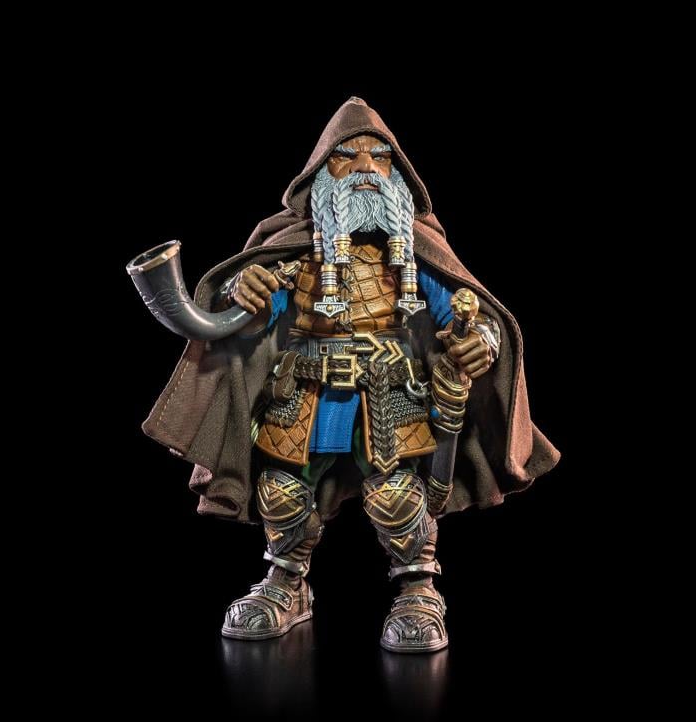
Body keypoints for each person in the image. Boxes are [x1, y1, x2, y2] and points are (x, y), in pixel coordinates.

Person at [139, 97, 559, 653]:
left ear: (398, 175)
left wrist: (480, 339)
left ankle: (417, 588)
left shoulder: (413, 256)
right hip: (305, 393)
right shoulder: (294, 253)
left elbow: (471, 311)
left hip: (390, 393)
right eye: (347, 156)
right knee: (281, 490)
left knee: (397, 495)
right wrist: (246, 289)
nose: (364, 167)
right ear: (319, 174)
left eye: (379, 157)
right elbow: (243, 321)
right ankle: (287, 582)